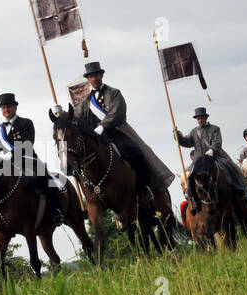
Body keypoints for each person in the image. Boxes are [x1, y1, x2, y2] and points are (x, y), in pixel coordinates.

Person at [72, 60, 176, 196]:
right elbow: (76, 117)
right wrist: (62, 116)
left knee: (136, 153)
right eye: (91, 76)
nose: (94, 78)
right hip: (97, 137)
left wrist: (102, 126)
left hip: (117, 132)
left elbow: (117, 112)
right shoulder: (85, 102)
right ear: (88, 79)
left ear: (101, 75)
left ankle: (145, 188)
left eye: (96, 75)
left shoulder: (114, 93)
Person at [0, 93, 63, 225]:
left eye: (9, 106)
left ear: (15, 107)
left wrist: (12, 153)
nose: (6, 109)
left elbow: (28, 144)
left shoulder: (26, 123)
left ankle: (55, 211)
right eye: (4, 107)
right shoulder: (1, 129)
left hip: (28, 160)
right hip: (11, 164)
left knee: (46, 179)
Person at [175, 107, 242, 211]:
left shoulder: (215, 129)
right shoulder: (194, 131)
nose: (200, 120)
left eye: (202, 118)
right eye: (198, 119)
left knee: (229, 167)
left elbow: (217, 142)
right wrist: (178, 136)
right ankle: (195, 202)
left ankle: (237, 190)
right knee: (190, 177)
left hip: (214, 157)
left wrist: (212, 149)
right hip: (199, 160)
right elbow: (186, 142)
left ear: (206, 118)